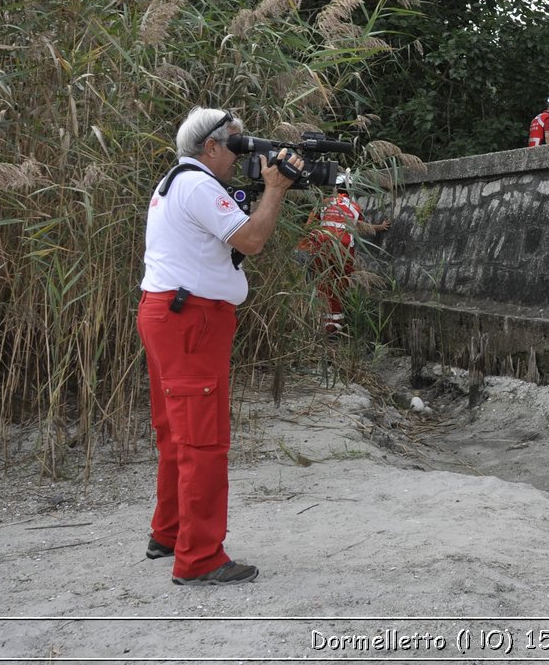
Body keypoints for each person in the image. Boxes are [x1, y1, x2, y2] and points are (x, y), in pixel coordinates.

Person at [139, 107, 302, 585]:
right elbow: (251, 239)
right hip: (191, 320)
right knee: (202, 439)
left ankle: (168, 533)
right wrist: (275, 189)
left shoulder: (177, 181)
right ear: (210, 147)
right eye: (236, 143)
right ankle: (200, 557)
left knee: (175, 431)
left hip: (168, 313)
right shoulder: (198, 184)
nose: (243, 151)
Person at [297, 170, 391, 337]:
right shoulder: (354, 207)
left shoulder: (325, 203)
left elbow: (309, 226)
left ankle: (323, 323)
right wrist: (381, 227)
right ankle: (336, 325)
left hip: (322, 248)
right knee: (339, 286)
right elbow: (363, 227)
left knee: (323, 285)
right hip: (344, 252)